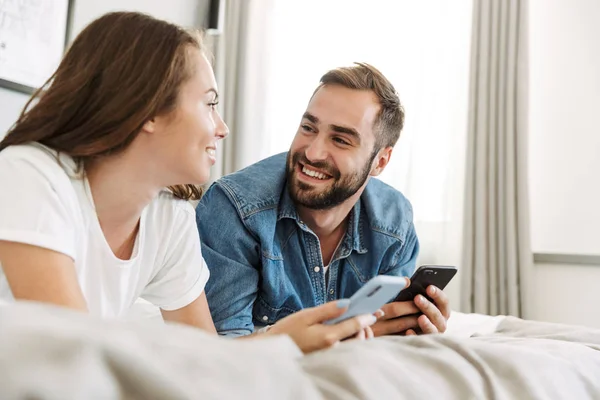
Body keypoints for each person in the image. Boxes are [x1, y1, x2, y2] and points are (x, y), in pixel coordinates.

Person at [0, 11, 377, 353]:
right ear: (149, 109)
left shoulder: (168, 216)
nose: (222, 127)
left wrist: (283, 342)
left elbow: (204, 359)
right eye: (209, 103)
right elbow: (71, 358)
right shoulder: (28, 177)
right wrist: (276, 345)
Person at [197, 63, 451, 337]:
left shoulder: (394, 222)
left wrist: (412, 332)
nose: (314, 152)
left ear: (380, 161)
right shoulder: (235, 208)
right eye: (308, 127)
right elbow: (223, 350)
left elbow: (384, 333)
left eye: (341, 140)